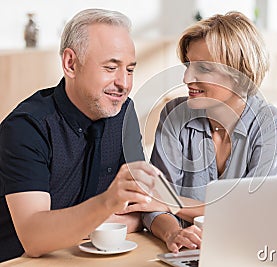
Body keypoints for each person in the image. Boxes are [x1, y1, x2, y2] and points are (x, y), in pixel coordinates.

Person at [0, 9, 159, 262]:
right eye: (110, 67)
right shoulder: (26, 127)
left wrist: (81, 222)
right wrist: (108, 205)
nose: (124, 83)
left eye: (129, 70)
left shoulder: (123, 112)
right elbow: (34, 238)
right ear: (70, 64)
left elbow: (140, 209)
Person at [137, 11, 277, 253]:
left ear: (239, 74)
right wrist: (174, 233)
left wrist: (172, 203)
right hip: (187, 253)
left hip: (250, 251)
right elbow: (153, 205)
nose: (187, 78)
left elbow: (257, 209)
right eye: (188, 65)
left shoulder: (272, 124)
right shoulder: (174, 115)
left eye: (204, 69)